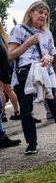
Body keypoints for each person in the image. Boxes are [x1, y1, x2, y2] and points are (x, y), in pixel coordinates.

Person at [8, 0, 56, 155]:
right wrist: (28, 42)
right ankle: (32, 143)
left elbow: (52, 54)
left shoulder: (48, 33)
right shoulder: (18, 30)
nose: (43, 16)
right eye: (40, 12)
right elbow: (10, 55)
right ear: (31, 12)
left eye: (46, 14)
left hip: (45, 73)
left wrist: (49, 58)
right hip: (25, 74)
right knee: (26, 110)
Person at [0, 21, 21, 149]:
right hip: (4, 71)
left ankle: (4, 115)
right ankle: (15, 111)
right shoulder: (4, 37)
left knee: (4, 92)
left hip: (3, 71)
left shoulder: (3, 37)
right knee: (6, 92)